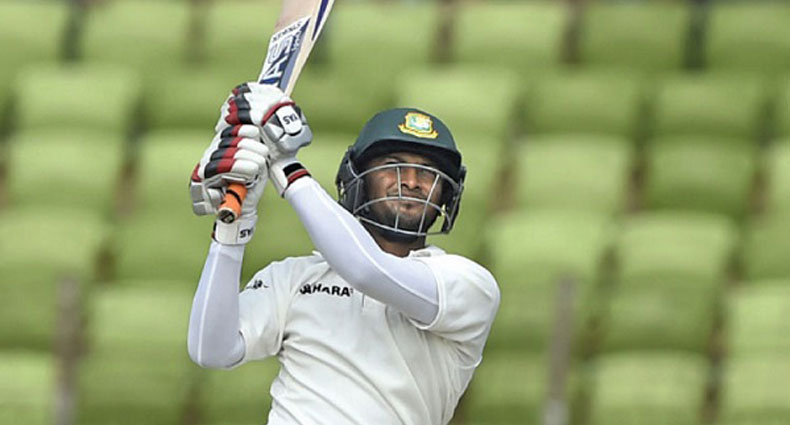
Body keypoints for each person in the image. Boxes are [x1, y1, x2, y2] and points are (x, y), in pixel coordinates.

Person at [187, 83, 500, 425]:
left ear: (446, 195)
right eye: (393, 165)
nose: (411, 181)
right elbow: (211, 349)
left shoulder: (468, 284)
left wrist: (284, 165)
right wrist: (233, 229)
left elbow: (367, 271)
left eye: (427, 172)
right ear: (358, 179)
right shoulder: (295, 277)